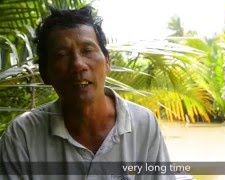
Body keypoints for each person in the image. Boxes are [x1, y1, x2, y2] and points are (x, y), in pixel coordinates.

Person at [0, 5, 175, 180]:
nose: (78, 64)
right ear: (45, 73)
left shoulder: (143, 124)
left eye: (88, 51)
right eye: (61, 55)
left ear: (107, 62)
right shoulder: (22, 135)